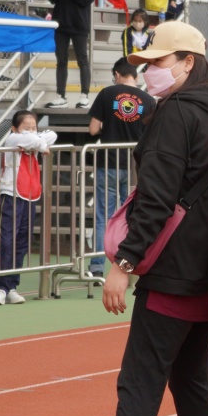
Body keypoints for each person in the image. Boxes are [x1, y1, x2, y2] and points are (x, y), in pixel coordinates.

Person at [61, 22, 208, 416]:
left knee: (139, 383)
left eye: (158, 62)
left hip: (172, 270)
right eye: (146, 64)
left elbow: (156, 198)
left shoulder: (176, 113)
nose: (149, 73)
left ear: (188, 62)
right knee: (191, 380)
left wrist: (122, 265)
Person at [85, 58, 156, 278]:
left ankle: (97, 267)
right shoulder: (148, 100)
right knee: (131, 217)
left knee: (103, 216)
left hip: (108, 162)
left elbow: (93, 129)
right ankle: (128, 264)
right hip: (135, 166)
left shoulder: (107, 93)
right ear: (135, 75)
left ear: (117, 74)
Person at [0, 111, 57, 307]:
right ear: (14, 129)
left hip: (30, 195)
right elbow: (31, 140)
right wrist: (40, 144)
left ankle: (12, 287)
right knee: (7, 240)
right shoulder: (13, 139)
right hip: (11, 194)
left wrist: (38, 142)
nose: (31, 131)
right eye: (26, 128)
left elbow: (52, 135)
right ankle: (1, 286)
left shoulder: (32, 140)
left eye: (34, 127)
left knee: (22, 241)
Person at [47, 0, 94, 108]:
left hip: (79, 23)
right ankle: (60, 95)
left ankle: (85, 95)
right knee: (61, 60)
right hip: (60, 23)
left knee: (82, 60)